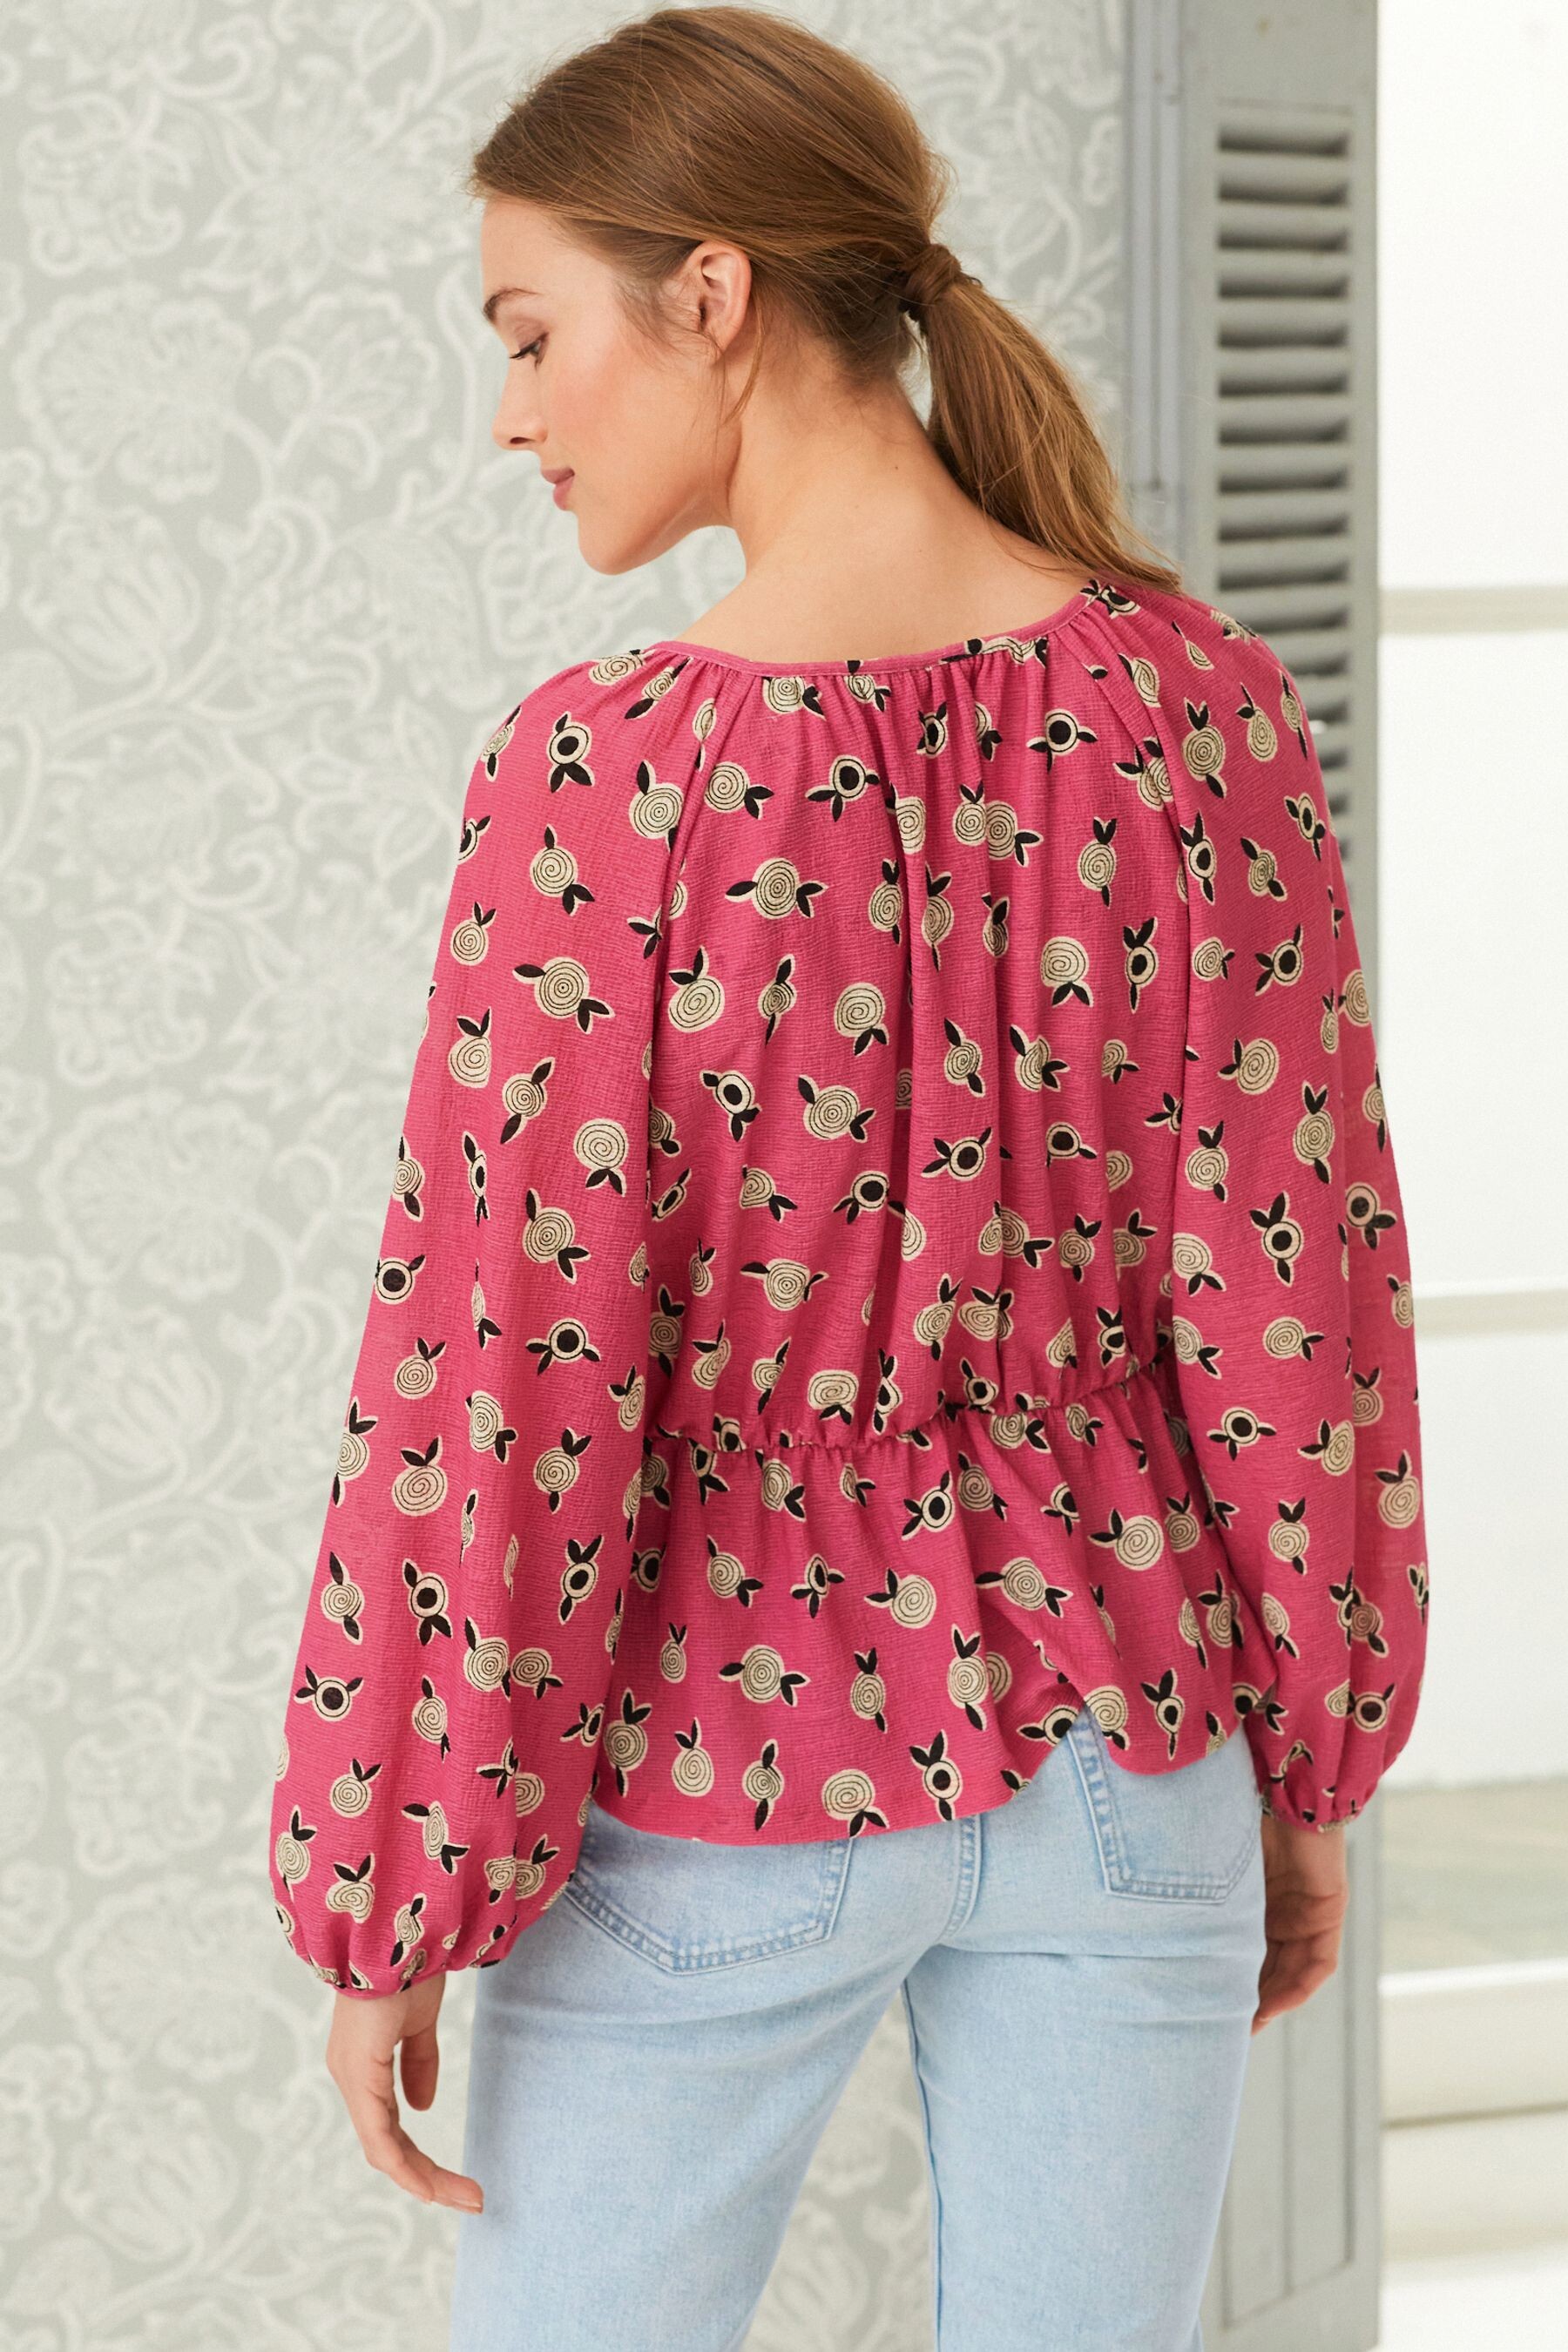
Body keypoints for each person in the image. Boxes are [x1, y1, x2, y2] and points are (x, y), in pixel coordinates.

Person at [266, 10, 1429, 2347]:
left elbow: (502, 1383)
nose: (512, 412)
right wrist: (1303, 1767)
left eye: (531, 333)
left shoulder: (605, 781)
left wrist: (401, 1872)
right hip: (1133, 1760)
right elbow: (1297, 1302)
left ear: (710, 295)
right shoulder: (1199, 713)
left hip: (723, 1767)